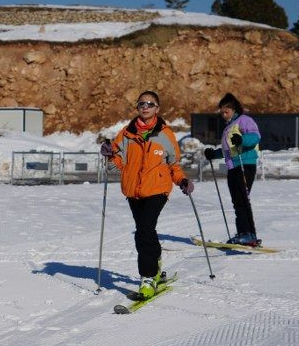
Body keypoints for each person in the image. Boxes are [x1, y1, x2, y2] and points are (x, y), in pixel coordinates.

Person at [101, 91, 193, 299]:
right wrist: (109, 155)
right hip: (133, 191)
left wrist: (182, 181)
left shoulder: (165, 134)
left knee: (144, 230)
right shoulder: (126, 134)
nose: (145, 107)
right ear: (137, 107)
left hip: (157, 189)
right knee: (145, 232)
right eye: (142, 103)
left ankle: (148, 278)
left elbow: (173, 164)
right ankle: (156, 264)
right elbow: (117, 163)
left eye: (150, 104)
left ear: (157, 109)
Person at [203, 93, 261, 246]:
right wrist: (214, 154)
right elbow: (228, 150)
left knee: (243, 200)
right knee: (238, 202)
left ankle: (249, 234)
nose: (223, 115)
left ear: (234, 110)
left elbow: (255, 136)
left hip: (245, 164)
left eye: (226, 111)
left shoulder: (244, 120)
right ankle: (243, 233)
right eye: (221, 112)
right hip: (233, 166)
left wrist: (242, 139)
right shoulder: (229, 127)